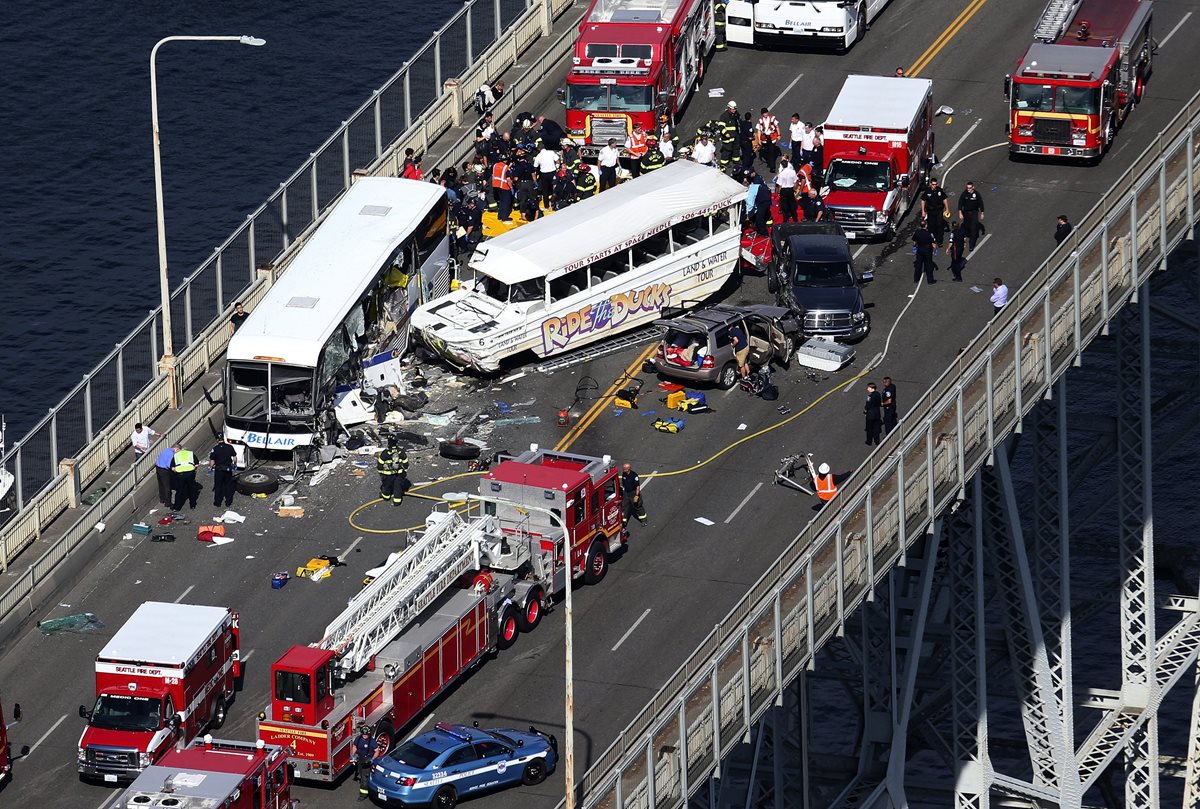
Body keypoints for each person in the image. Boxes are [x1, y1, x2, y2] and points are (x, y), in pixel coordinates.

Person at [377, 436, 410, 507]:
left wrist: (381, 473)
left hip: (387, 475)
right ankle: (397, 501)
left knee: (386, 487)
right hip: (399, 474)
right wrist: (404, 473)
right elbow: (406, 463)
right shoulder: (401, 452)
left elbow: (380, 465)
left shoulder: (385, 453)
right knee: (398, 487)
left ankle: (386, 497)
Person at [208, 437, 238, 508]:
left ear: (217, 440)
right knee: (228, 486)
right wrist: (234, 464)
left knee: (218, 486)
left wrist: (210, 467)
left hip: (219, 470)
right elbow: (234, 457)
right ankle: (228, 502)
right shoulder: (230, 447)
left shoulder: (215, 448)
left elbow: (212, 461)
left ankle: (217, 502)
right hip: (228, 469)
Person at [352, 726, 380, 800]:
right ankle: (367, 785)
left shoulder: (372, 742)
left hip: (368, 761)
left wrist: (372, 759)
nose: (364, 736)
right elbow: (355, 746)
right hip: (361, 760)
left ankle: (363, 794)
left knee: (364, 778)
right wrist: (352, 755)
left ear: (369, 734)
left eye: (366, 734)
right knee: (361, 774)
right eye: (363, 734)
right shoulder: (358, 739)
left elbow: (377, 751)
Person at [919, 178, 949, 246]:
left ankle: (939, 241)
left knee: (939, 225)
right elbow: (923, 200)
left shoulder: (940, 191)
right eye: (933, 184)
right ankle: (932, 240)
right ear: (930, 184)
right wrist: (923, 211)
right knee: (931, 226)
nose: (934, 186)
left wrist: (947, 208)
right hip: (931, 211)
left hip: (939, 210)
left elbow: (944, 199)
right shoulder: (927, 191)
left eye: (935, 184)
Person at [957, 181, 985, 251]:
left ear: (973, 187)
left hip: (974, 213)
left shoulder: (976, 194)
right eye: (967, 188)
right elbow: (960, 203)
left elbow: (981, 203)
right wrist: (960, 212)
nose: (968, 189)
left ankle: (971, 245)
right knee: (967, 226)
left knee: (973, 229)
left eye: (970, 188)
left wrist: (982, 212)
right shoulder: (964, 194)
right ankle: (966, 235)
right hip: (966, 213)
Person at [171, 444, 199, 511]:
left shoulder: (176, 456)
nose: (173, 452)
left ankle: (177, 507)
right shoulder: (190, 453)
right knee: (191, 489)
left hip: (180, 474)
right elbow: (197, 464)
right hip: (190, 473)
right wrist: (193, 469)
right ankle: (192, 505)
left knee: (179, 491)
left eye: (174, 450)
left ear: (177, 449)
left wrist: (176, 471)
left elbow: (172, 468)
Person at [533, 141, 560, 208]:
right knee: (554, 188)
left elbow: (535, 167)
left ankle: (546, 205)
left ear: (539, 149)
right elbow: (558, 161)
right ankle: (555, 203)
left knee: (545, 190)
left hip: (544, 175)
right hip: (553, 172)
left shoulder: (538, 156)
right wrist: (556, 167)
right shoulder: (551, 153)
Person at [756, 107, 781, 173]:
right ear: (762, 114)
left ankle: (772, 167)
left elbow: (777, 127)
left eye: (766, 112)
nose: (766, 114)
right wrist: (759, 140)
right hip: (764, 138)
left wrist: (779, 135)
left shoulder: (772, 118)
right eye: (764, 113)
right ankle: (770, 162)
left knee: (771, 152)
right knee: (767, 151)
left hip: (772, 137)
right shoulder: (760, 121)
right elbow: (759, 131)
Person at [912, 219, 937, 284]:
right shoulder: (929, 234)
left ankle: (916, 279)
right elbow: (933, 244)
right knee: (928, 265)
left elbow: (914, 242)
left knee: (918, 264)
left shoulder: (917, 232)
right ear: (926, 225)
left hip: (920, 249)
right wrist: (935, 250)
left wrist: (914, 247)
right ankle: (930, 280)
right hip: (927, 250)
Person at [775, 158, 799, 223]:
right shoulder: (793, 172)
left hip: (784, 190)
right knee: (792, 204)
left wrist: (778, 192)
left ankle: (786, 219)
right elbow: (796, 181)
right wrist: (795, 188)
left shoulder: (781, 174)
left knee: (784, 206)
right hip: (790, 189)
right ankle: (795, 218)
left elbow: (779, 185)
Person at [490, 157, 513, 222]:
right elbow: (508, 179)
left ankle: (500, 216)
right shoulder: (506, 167)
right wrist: (511, 187)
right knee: (506, 202)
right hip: (504, 186)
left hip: (496, 186)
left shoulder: (495, 165)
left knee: (501, 201)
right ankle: (504, 217)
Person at [154, 443, 176, 508]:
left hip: (158, 467)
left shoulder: (167, 449)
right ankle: (168, 503)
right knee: (167, 488)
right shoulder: (172, 454)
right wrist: (175, 469)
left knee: (161, 484)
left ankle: (162, 499)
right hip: (164, 471)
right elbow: (169, 465)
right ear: (176, 449)